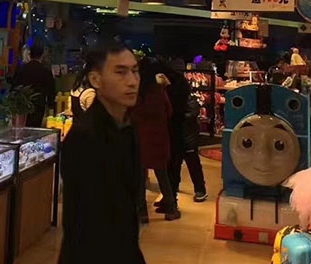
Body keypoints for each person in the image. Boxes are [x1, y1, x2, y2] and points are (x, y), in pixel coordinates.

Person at [59, 41, 145, 264]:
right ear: (96, 80)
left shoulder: (127, 127)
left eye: (135, 71)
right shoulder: (84, 138)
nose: (132, 81)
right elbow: (90, 222)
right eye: (120, 72)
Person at [131, 57, 180, 221]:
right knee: (162, 174)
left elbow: (131, 114)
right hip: (159, 138)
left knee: (139, 177)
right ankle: (171, 209)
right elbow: (169, 111)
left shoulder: (136, 92)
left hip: (140, 138)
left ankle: (142, 213)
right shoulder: (158, 91)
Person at [166, 70, 207, 203]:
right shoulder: (187, 99)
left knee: (189, 164)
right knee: (182, 165)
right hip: (184, 137)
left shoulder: (182, 100)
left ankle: (199, 189)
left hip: (185, 137)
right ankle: (196, 189)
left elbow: (191, 114)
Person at [12, 43, 55, 128]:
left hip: (22, 106)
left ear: (30, 54)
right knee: (35, 129)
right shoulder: (45, 71)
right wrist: (51, 106)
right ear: (42, 55)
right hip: (38, 106)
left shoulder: (22, 69)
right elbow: (51, 90)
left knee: (22, 127)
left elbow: (14, 87)